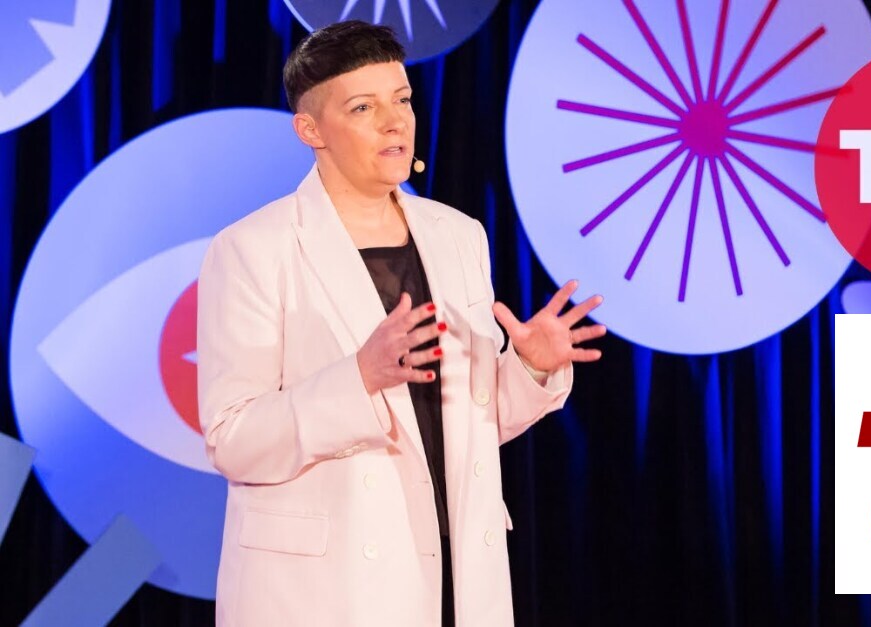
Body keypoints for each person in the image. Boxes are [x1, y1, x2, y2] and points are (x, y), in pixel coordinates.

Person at [196, 20, 605, 626]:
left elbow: (460, 426)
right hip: (325, 592)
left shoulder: (458, 235)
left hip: (455, 574)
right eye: (363, 107)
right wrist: (358, 378)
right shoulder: (254, 248)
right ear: (311, 130)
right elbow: (233, 441)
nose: (395, 122)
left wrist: (528, 368)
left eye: (403, 100)